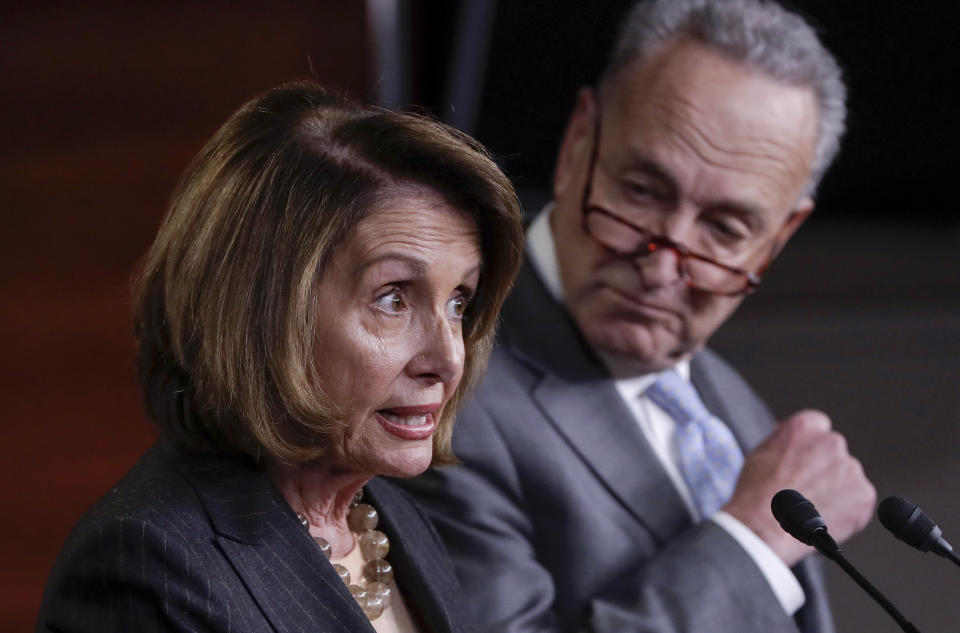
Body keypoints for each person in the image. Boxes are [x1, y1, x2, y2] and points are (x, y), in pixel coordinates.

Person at [398, 1, 876, 632]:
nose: (661, 261)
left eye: (724, 229)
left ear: (779, 238)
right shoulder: (442, 388)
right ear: (577, 146)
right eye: (642, 192)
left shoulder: (729, 400)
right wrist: (753, 543)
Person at [37, 81, 524, 633]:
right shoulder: (142, 565)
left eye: (459, 300)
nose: (447, 358)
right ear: (262, 312)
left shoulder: (391, 517)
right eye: (393, 298)